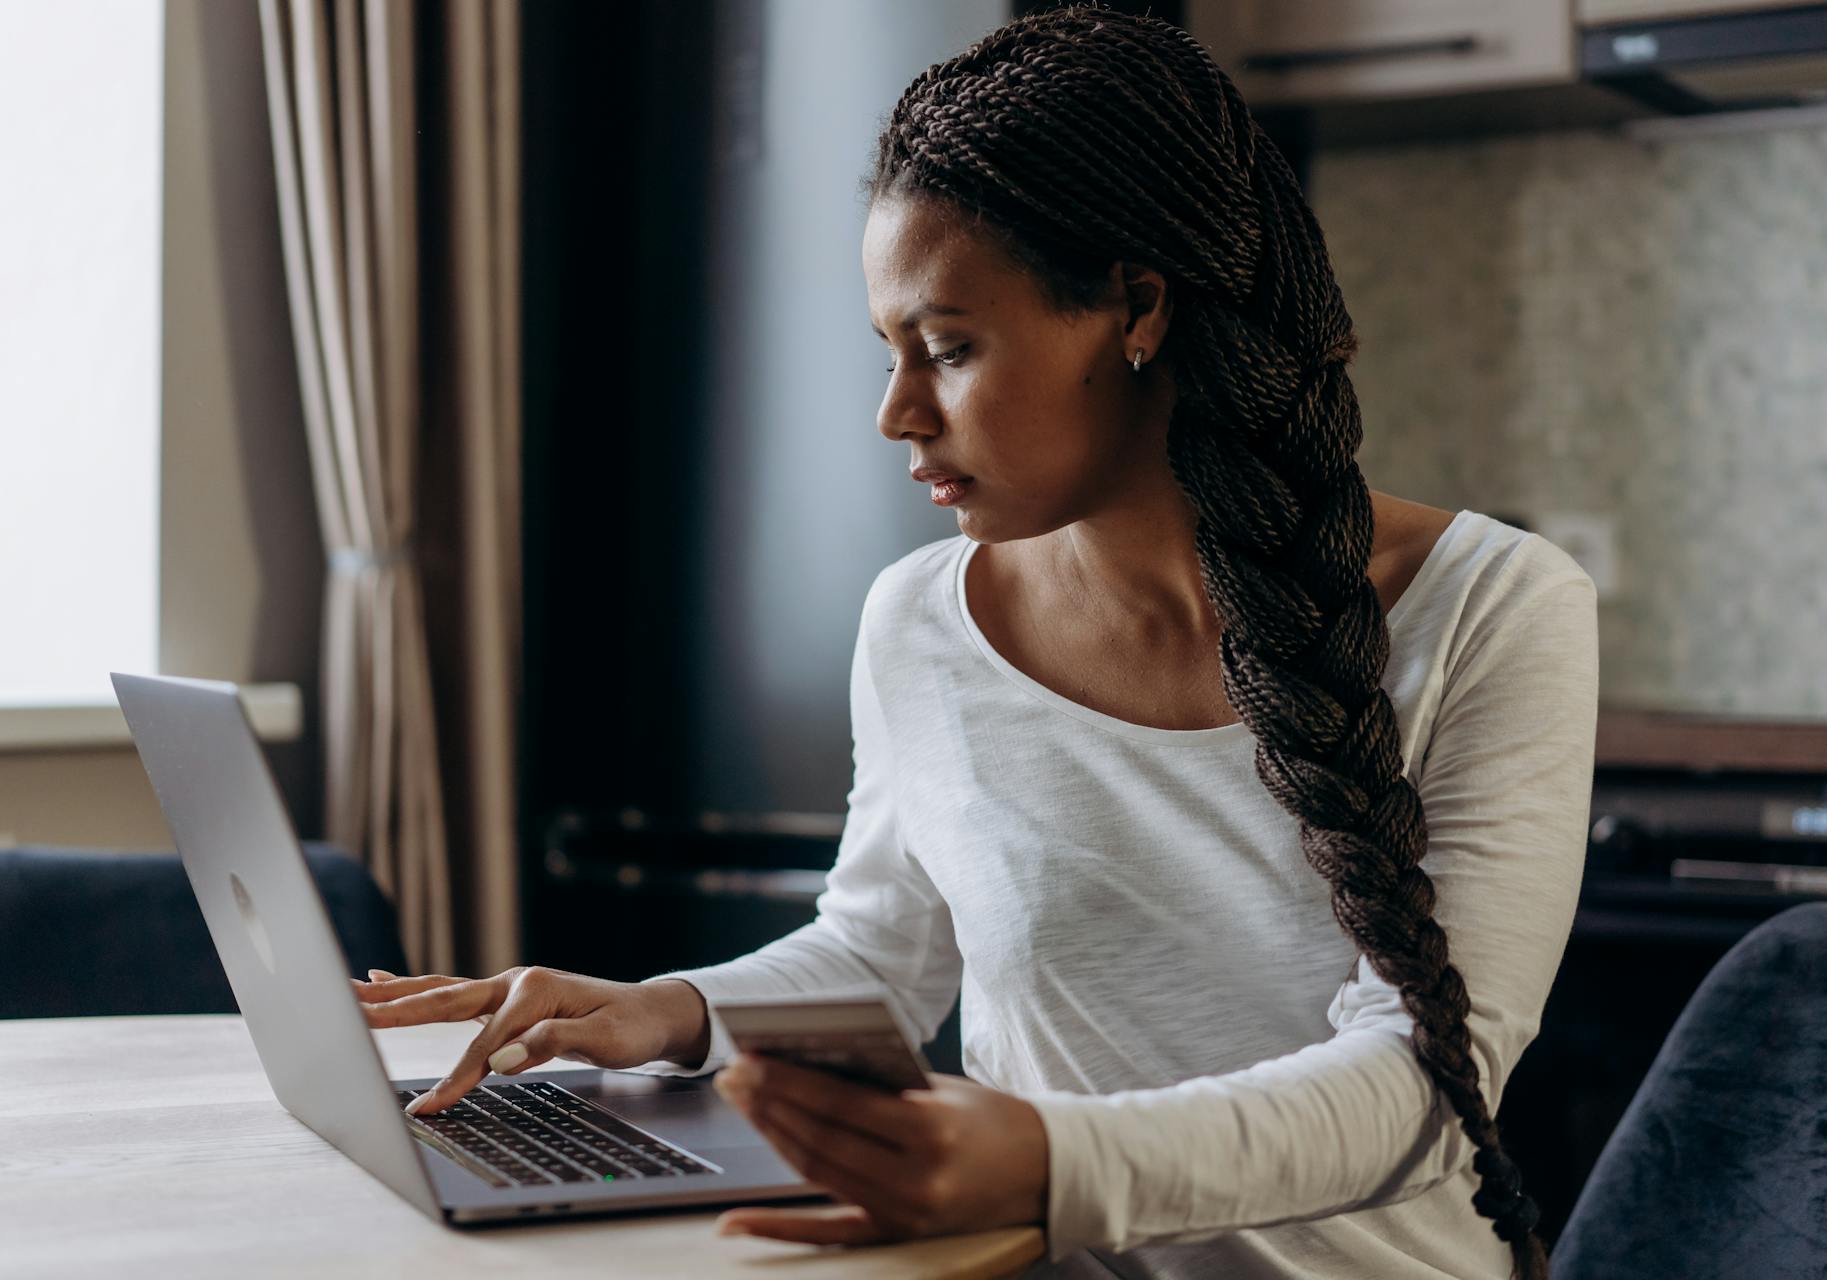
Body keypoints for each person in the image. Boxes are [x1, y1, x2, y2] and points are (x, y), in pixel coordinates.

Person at [354, 8, 1598, 1278]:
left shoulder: (1495, 608)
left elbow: (1423, 1079)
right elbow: (881, 955)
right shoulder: (918, 618)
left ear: (1138, 310)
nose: (897, 411)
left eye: (947, 348)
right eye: (891, 351)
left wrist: (1053, 1163)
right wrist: (670, 1008)